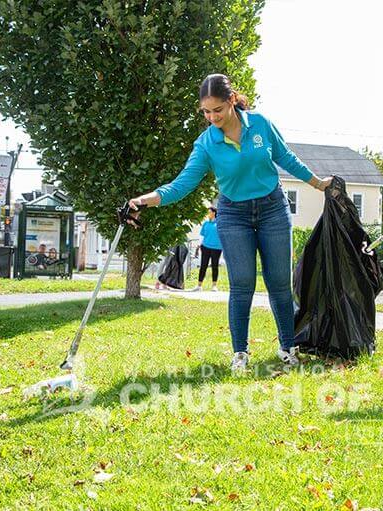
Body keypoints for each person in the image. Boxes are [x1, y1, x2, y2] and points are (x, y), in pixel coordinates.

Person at [127, 73, 332, 372]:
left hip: (273, 208)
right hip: (233, 215)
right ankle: (240, 353)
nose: (212, 117)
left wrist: (318, 184)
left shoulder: (260, 123)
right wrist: (142, 200)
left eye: (217, 110)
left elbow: (286, 158)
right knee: (242, 284)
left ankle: (288, 347)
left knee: (278, 282)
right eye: (206, 112)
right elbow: (181, 185)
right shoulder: (206, 144)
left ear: (232, 100)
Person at [191, 206, 222, 292]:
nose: (208, 214)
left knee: (214, 266)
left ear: (214, 213)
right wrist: (199, 245)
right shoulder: (206, 223)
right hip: (205, 247)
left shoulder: (219, 223)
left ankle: (214, 286)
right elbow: (202, 235)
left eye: (209, 212)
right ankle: (199, 285)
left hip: (217, 248)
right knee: (203, 266)